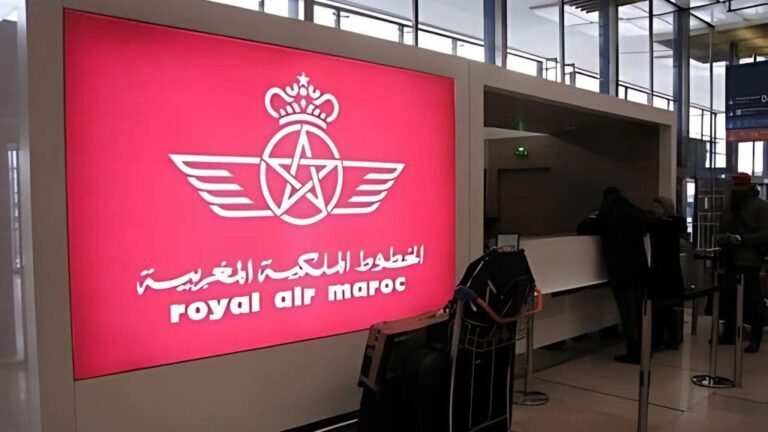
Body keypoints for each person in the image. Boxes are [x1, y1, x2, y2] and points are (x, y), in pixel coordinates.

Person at [579, 187, 649, 364]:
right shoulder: (636, 212)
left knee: (627, 312)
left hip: (621, 271)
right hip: (640, 269)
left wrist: (593, 216)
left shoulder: (608, 214)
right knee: (639, 312)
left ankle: (633, 351)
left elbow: (584, 228)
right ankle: (643, 348)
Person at [717, 172, 768, 353]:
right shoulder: (732, 207)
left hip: (749, 259)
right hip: (733, 258)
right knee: (730, 298)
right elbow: (721, 229)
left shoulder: (760, 207)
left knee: (752, 300)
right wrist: (724, 238)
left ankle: (754, 336)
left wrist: (742, 239)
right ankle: (731, 333)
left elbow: (765, 234)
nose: (737, 190)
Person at [648, 196, 686, 351]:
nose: (655, 211)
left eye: (657, 208)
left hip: (660, 270)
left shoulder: (658, 225)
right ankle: (672, 338)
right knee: (669, 308)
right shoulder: (676, 223)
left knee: (658, 308)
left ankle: (657, 339)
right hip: (672, 270)